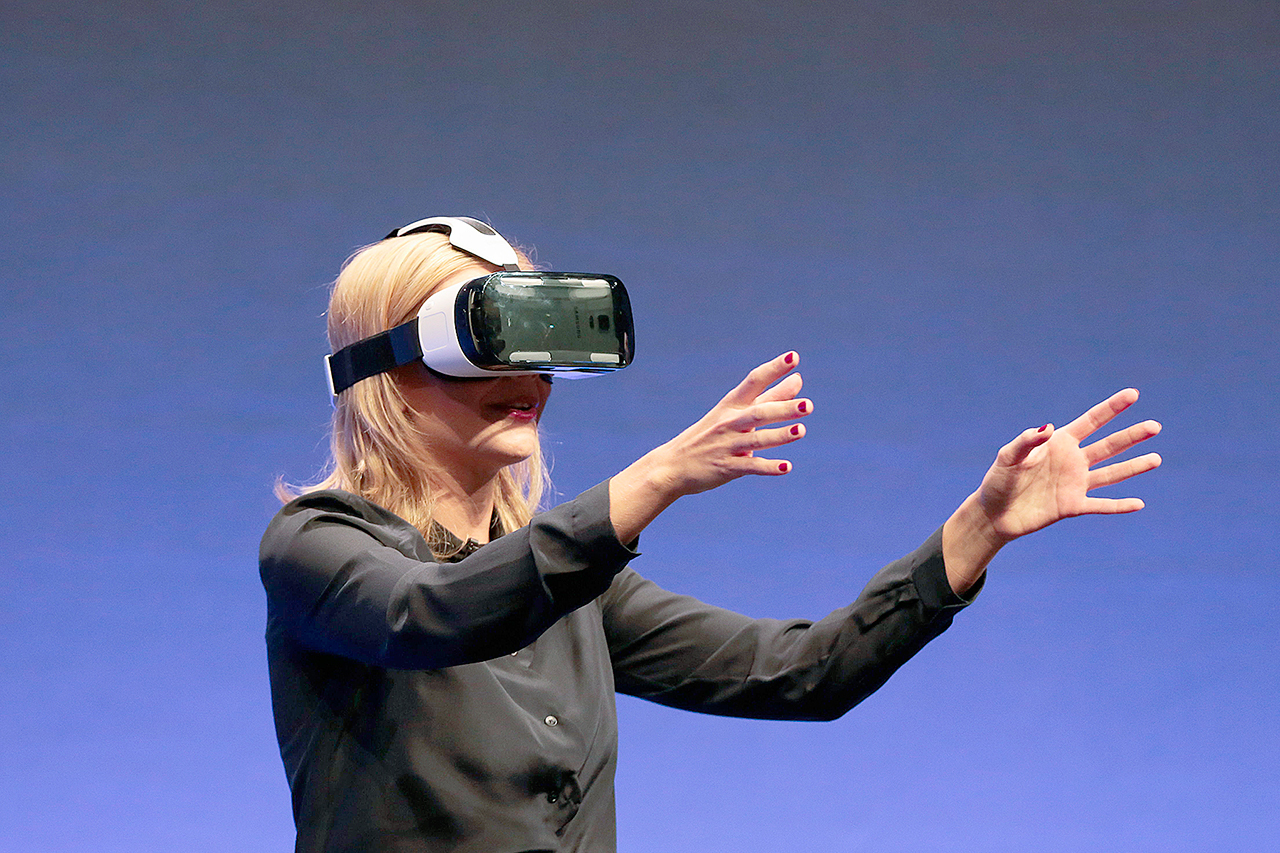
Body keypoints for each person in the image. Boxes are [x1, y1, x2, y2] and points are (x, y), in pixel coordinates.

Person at [260, 219, 1162, 853]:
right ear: (387, 365)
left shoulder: (581, 592)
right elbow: (430, 615)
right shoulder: (314, 547)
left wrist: (978, 529)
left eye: (540, 343)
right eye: (489, 339)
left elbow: (803, 673)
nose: (528, 375)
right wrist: (655, 479)